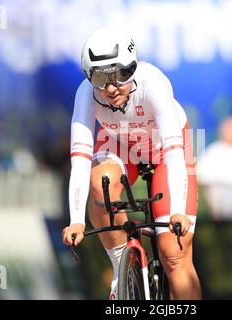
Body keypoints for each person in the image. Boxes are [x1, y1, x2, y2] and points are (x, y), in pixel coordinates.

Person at [61, 27, 201, 300]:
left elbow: (174, 153)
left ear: (133, 67)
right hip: (121, 147)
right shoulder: (85, 95)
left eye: (119, 76)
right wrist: (76, 220)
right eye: (100, 78)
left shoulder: (154, 84)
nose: (111, 88)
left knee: (174, 254)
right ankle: (120, 269)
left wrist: (178, 212)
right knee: (98, 184)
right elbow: (79, 160)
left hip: (164, 150)